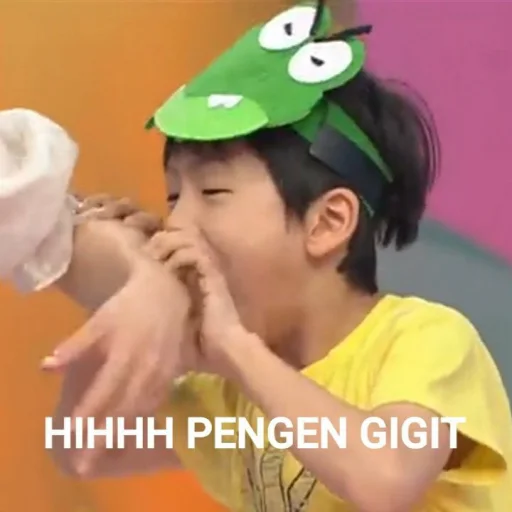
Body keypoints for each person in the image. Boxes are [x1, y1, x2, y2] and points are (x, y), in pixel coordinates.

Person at [33, 2, 512, 511]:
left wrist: (235, 349)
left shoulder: (426, 340)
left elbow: (385, 477)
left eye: (213, 192)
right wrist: (125, 297)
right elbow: (84, 448)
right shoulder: (227, 391)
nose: (177, 224)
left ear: (328, 223)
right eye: (174, 197)